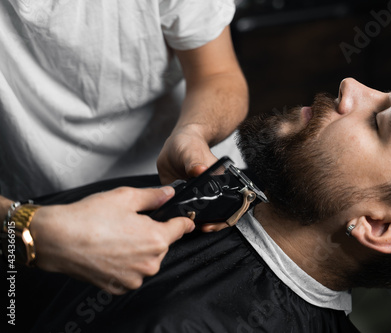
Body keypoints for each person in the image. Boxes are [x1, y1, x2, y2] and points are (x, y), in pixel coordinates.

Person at [5, 73, 391, 332]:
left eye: (379, 120)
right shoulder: (238, 191)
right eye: (386, 90)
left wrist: (25, 231)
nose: (352, 87)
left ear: (377, 227)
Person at [0, 0, 248, 293]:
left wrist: (193, 132)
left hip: (191, 191)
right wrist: (27, 230)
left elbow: (218, 74)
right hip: (41, 218)